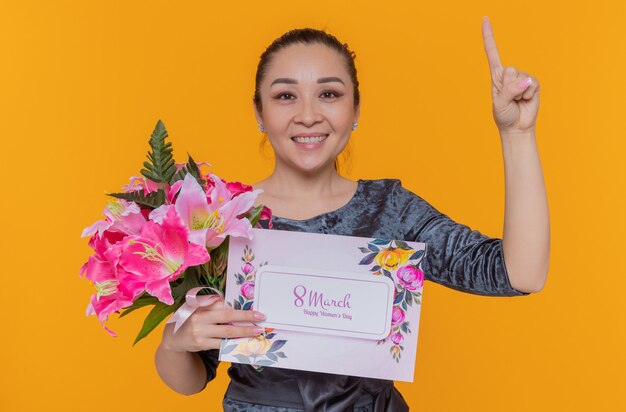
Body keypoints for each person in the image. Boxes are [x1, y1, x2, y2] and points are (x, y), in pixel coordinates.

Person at [154, 17, 549, 411]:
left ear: (355, 108)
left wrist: (517, 135)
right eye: (285, 96)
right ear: (259, 112)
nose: (308, 115)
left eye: (328, 94)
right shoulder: (222, 219)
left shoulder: (391, 210)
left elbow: (518, 273)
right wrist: (175, 341)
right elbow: (192, 379)